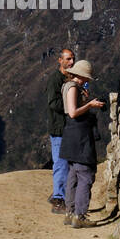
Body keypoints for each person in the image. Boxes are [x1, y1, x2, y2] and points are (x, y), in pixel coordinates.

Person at [59, 60, 104, 228]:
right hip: (79, 136)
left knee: (73, 175)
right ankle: (79, 215)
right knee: (85, 175)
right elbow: (72, 112)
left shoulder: (70, 87)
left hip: (71, 135)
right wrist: (90, 104)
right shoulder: (72, 88)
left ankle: (70, 212)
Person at [46, 47, 75, 212]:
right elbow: (53, 103)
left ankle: (59, 194)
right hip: (58, 128)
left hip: (66, 128)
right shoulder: (55, 80)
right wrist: (71, 105)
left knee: (66, 163)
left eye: (72, 59)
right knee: (61, 163)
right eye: (68, 59)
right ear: (60, 60)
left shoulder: (67, 78)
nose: (71, 62)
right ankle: (58, 199)